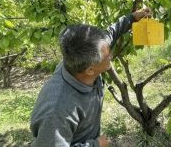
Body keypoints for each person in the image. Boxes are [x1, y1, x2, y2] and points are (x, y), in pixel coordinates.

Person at [30, 9, 150, 147]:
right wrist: (95, 145)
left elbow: (111, 34)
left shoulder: (79, 58)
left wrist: (133, 18)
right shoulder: (57, 111)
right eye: (108, 55)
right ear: (90, 70)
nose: (111, 55)